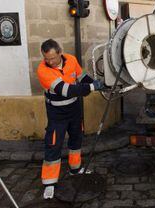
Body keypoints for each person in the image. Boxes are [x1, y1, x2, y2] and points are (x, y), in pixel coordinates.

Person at [36, 39, 104, 199]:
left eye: (52, 58)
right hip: (56, 113)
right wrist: (92, 87)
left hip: (74, 110)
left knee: (76, 140)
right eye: (46, 58)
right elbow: (66, 90)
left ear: (60, 52)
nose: (50, 62)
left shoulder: (71, 60)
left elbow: (81, 76)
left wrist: (94, 82)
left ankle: (75, 168)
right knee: (53, 144)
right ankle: (49, 183)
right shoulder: (43, 70)